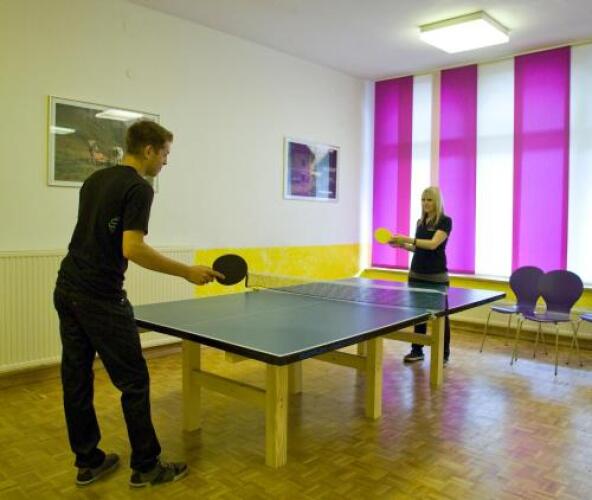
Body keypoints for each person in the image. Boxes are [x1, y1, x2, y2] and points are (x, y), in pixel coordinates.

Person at [53, 120, 223, 487]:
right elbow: (132, 248)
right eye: (165, 154)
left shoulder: (94, 180)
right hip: (100, 295)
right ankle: (146, 466)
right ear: (149, 150)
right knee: (134, 380)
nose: (165, 162)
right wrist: (186, 271)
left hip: (67, 287)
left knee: (76, 378)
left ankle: (88, 462)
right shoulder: (139, 188)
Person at [389, 186, 452, 364]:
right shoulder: (420, 222)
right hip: (416, 275)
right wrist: (402, 245)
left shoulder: (445, 221)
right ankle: (417, 350)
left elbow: (432, 244)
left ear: (437, 201)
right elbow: (419, 248)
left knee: (441, 318)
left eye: (429, 199)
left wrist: (406, 238)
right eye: (423, 199)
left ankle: (443, 353)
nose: (425, 203)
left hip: (437, 278)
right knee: (419, 316)